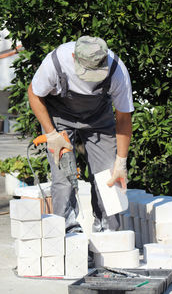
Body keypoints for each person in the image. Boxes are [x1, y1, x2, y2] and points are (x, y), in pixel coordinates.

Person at [28, 35, 134, 234]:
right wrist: (51, 134)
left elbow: (123, 118)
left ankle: (108, 232)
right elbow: (34, 94)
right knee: (63, 177)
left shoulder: (116, 69)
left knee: (108, 176)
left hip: (98, 119)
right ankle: (66, 232)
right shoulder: (56, 61)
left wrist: (121, 162)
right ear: (74, 56)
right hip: (60, 116)